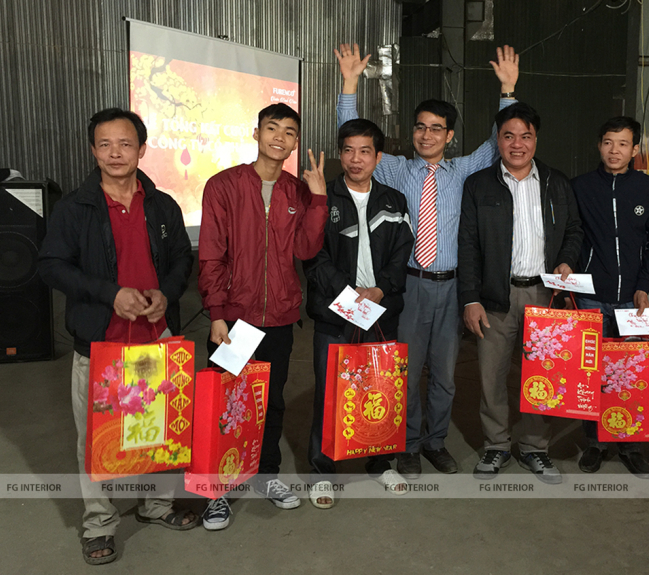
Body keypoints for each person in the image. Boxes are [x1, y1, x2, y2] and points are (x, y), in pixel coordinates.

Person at [334, 43, 519, 478]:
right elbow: (355, 139)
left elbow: (498, 142)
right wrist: (349, 85)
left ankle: (436, 441)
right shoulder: (396, 169)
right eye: (420, 127)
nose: (427, 135)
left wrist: (508, 91)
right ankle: (409, 445)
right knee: (406, 369)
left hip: (453, 287)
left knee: (445, 375)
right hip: (410, 285)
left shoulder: (464, 171)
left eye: (437, 129)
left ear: (449, 136)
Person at [38, 108, 196, 565]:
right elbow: (51, 265)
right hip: (101, 344)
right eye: (105, 144)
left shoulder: (162, 204)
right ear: (93, 150)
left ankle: (156, 506)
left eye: (125, 144)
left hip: (156, 339)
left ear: (141, 149)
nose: (115, 153)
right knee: (97, 440)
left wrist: (166, 293)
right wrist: (111, 294)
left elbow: (181, 259)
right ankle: (99, 524)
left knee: (161, 431)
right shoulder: (74, 208)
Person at [198, 104, 328, 524]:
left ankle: (266, 474)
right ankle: (214, 491)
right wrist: (217, 313)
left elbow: (305, 250)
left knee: (270, 402)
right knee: (225, 403)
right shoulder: (224, 186)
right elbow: (211, 254)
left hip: (280, 318)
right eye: (272, 128)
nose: (279, 137)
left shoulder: (298, 191)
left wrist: (318, 197)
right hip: (235, 318)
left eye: (289, 132)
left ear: (295, 142)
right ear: (257, 133)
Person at [458, 102, 584, 484]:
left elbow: (574, 230)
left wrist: (566, 260)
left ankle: (534, 448)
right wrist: (470, 298)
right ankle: (496, 445)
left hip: (544, 296)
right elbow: (468, 245)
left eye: (525, 136)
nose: (517, 144)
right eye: (508, 136)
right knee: (491, 376)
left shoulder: (556, 182)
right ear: (497, 140)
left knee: (541, 375)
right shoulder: (478, 185)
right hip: (495, 297)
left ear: (536, 139)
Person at [303, 118, 415, 507]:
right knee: (329, 393)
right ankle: (321, 471)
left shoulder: (394, 200)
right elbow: (313, 257)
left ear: (378, 157)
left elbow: (402, 253)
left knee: (380, 389)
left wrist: (379, 290)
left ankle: (381, 462)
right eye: (348, 150)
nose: (356, 159)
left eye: (365, 151)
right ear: (340, 154)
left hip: (381, 312)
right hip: (336, 314)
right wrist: (349, 295)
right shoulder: (324, 197)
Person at [571, 116, 649, 478]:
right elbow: (571, 237)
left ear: (635, 149)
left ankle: (630, 446)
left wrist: (644, 285)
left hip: (632, 301)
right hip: (590, 298)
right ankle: (595, 443)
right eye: (608, 142)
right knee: (592, 373)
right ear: (599, 145)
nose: (615, 151)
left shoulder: (648, 189)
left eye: (623, 144)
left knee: (630, 374)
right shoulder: (580, 187)